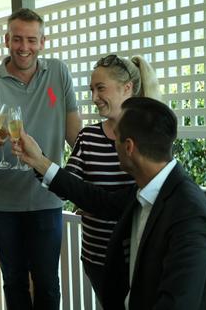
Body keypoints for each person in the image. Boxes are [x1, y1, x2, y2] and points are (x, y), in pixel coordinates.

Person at [14, 97, 206, 310]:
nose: (112, 144)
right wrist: (39, 161)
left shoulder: (189, 212)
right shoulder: (144, 191)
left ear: (128, 147)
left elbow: (178, 303)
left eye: (116, 138)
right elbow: (96, 199)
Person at [0, 8, 82, 309]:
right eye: (17, 39)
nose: (24, 47)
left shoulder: (59, 72)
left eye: (31, 40)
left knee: (47, 282)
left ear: (43, 42)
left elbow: (76, 134)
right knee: (15, 280)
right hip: (1, 201)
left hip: (46, 196)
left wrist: (91, 179)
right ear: (7, 40)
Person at [65, 54, 161, 298]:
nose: (94, 97)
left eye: (100, 89)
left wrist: (93, 202)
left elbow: (153, 191)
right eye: (92, 90)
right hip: (97, 256)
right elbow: (69, 184)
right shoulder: (87, 137)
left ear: (126, 87)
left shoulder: (149, 137)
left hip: (139, 257)